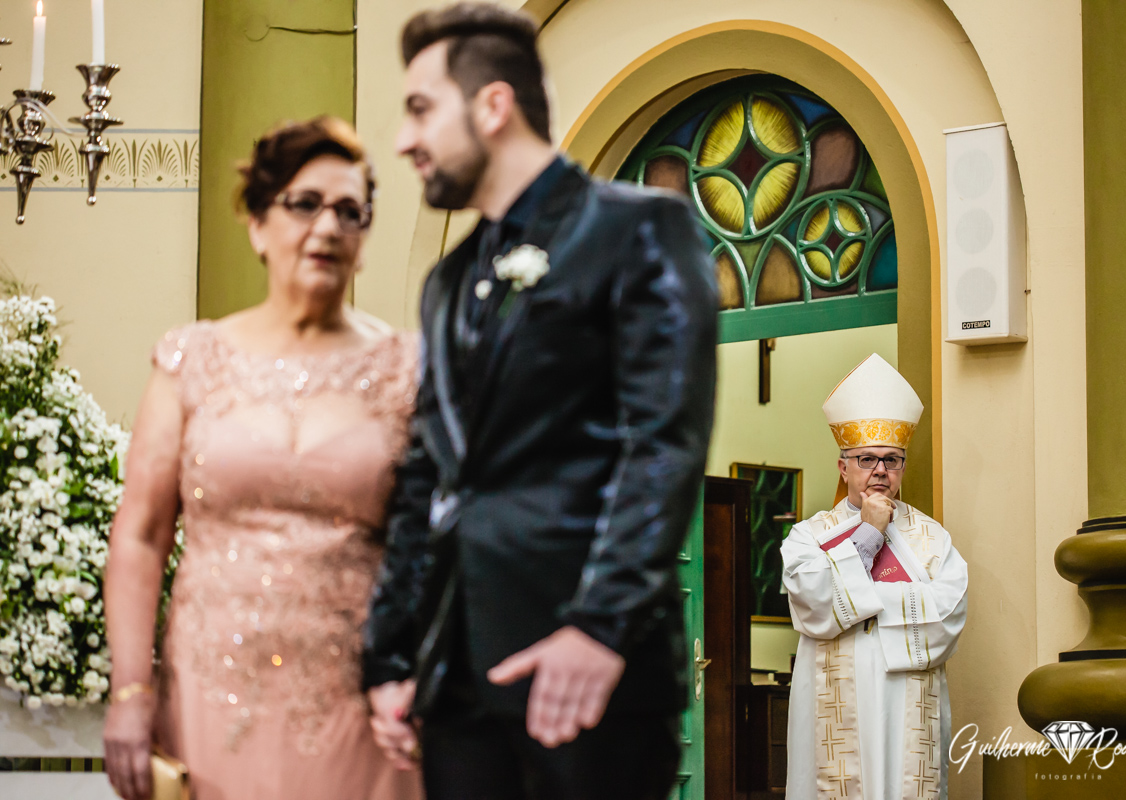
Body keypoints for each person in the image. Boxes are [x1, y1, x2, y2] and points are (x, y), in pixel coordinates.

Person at [361, 4, 719, 799]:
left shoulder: (638, 231)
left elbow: (663, 438)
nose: (403, 140)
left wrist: (599, 625)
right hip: (457, 681)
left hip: (591, 675)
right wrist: (389, 659)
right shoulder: (447, 284)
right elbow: (426, 477)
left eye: (421, 109)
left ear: (493, 105)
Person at [102, 117, 423, 800]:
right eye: (304, 204)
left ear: (364, 240)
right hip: (213, 692)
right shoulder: (192, 360)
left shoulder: (407, 368)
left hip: (362, 701)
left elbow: (434, 537)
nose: (328, 227)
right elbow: (141, 532)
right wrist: (131, 689)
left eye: (349, 212)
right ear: (256, 224)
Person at [780, 353, 968, 800]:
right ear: (843, 467)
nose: (880, 471)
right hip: (832, 706)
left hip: (907, 701)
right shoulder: (807, 537)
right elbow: (811, 603)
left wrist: (863, 601)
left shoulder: (931, 539)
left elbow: (949, 614)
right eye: (866, 459)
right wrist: (868, 534)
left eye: (892, 460)